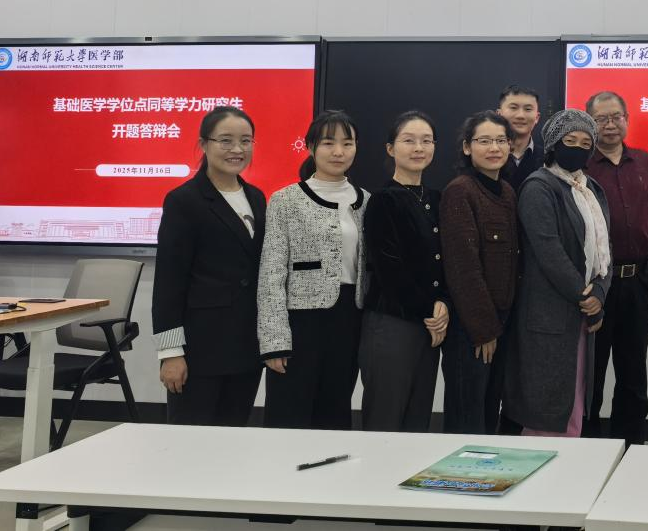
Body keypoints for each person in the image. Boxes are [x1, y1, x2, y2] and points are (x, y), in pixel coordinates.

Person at [153, 106, 266, 426]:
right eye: (225, 140)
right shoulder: (184, 200)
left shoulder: (257, 197)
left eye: (246, 140)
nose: (237, 149)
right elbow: (169, 282)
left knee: (233, 436)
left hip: (246, 344)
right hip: (200, 348)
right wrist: (171, 353)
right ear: (204, 144)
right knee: (190, 441)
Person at [504, 110, 612, 436]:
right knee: (546, 406)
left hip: (582, 312)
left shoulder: (591, 188)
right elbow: (549, 251)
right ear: (553, 143)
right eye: (570, 141)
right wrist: (585, 297)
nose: (577, 148)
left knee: (574, 400)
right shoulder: (539, 186)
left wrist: (600, 292)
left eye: (585, 144)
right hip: (550, 312)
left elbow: (605, 247)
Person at [257, 110, 367, 430]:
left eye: (347, 143)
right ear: (310, 147)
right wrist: (274, 341)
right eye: (329, 143)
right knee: (288, 413)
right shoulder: (286, 200)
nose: (338, 151)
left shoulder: (366, 201)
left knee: (335, 412)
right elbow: (271, 274)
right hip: (300, 323)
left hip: (349, 320)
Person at [581, 90, 648, 445]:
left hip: (639, 283)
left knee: (633, 376)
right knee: (592, 376)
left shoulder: (647, 163)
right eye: (601, 118)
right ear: (590, 123)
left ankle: (630, 448)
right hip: (597, 287)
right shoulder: (580, 166)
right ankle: (588, 449)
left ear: (627, 119)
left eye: (616, 117)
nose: (610, 125)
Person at [359, 111, 449, 432]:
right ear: (390, 148)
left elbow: (447, 261)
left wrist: (443, 303)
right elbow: (389, 268)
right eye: (408, 140)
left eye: (426, 141)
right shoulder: (383, 201)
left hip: (430, 325)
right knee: (385, 419)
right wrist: (430, 309)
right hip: (392, 323)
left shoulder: (438, 199)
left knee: (417, 422)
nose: (418, 148)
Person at [439, 110, 520, 434]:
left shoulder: (507, 191)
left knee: (489, 410)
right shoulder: (461, 191)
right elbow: (463, 268)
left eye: (501, 140)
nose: (494, 148)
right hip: (471, 326)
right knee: (467, 415)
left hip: (501, 321)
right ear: (467, 147)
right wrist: (484, 329)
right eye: (484, 141)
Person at [499, 86, 543, 192]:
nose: (520, 115)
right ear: (499, 114)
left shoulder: (549, 159)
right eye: (513, 108)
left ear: (537, 118)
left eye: (528, 109)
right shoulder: (488, 155)